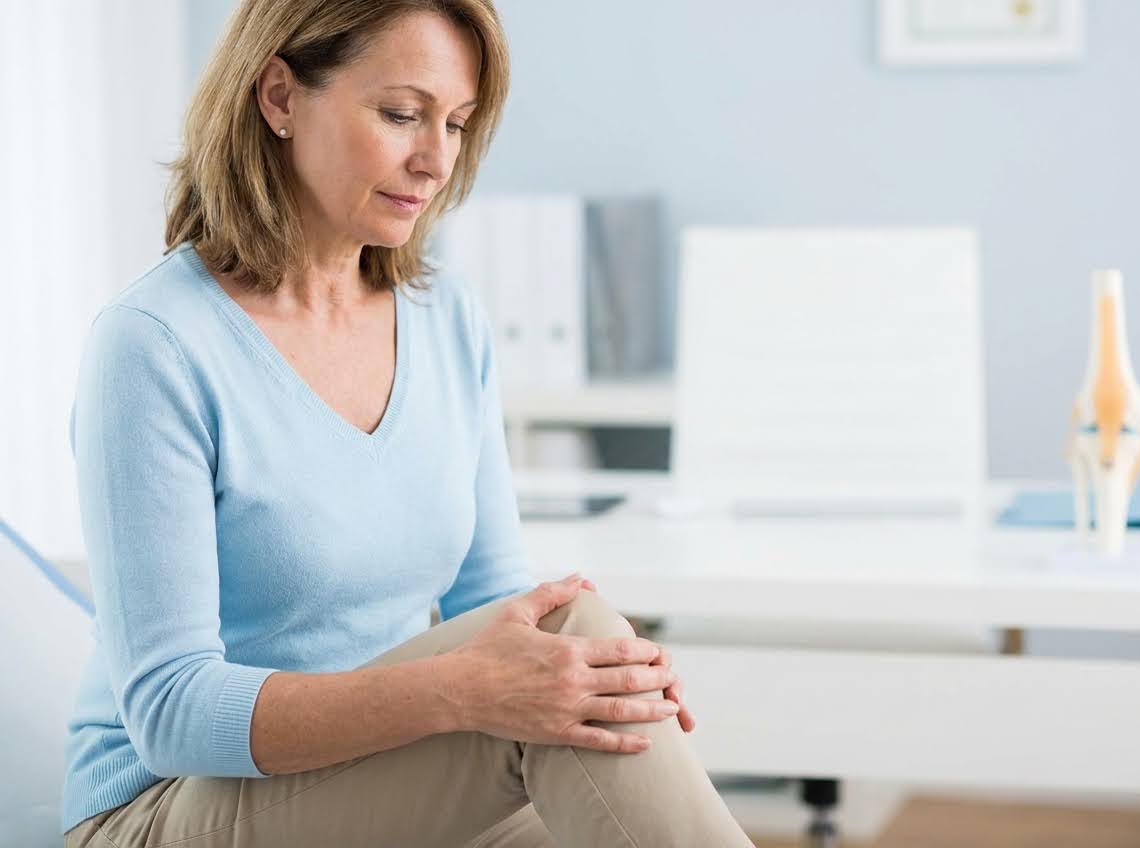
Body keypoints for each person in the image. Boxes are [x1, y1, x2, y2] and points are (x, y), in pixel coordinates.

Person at [61, 1, 755, 845]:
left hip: (384, 765)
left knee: (580, 656)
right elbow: (170, 711)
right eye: (401, 114)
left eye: (457, 124)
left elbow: (501, 602)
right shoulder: (156, 346)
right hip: (171, 803)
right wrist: (465, 688)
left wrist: (590, 675)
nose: (435, 161)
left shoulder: (446, 318)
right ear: (279, 97)